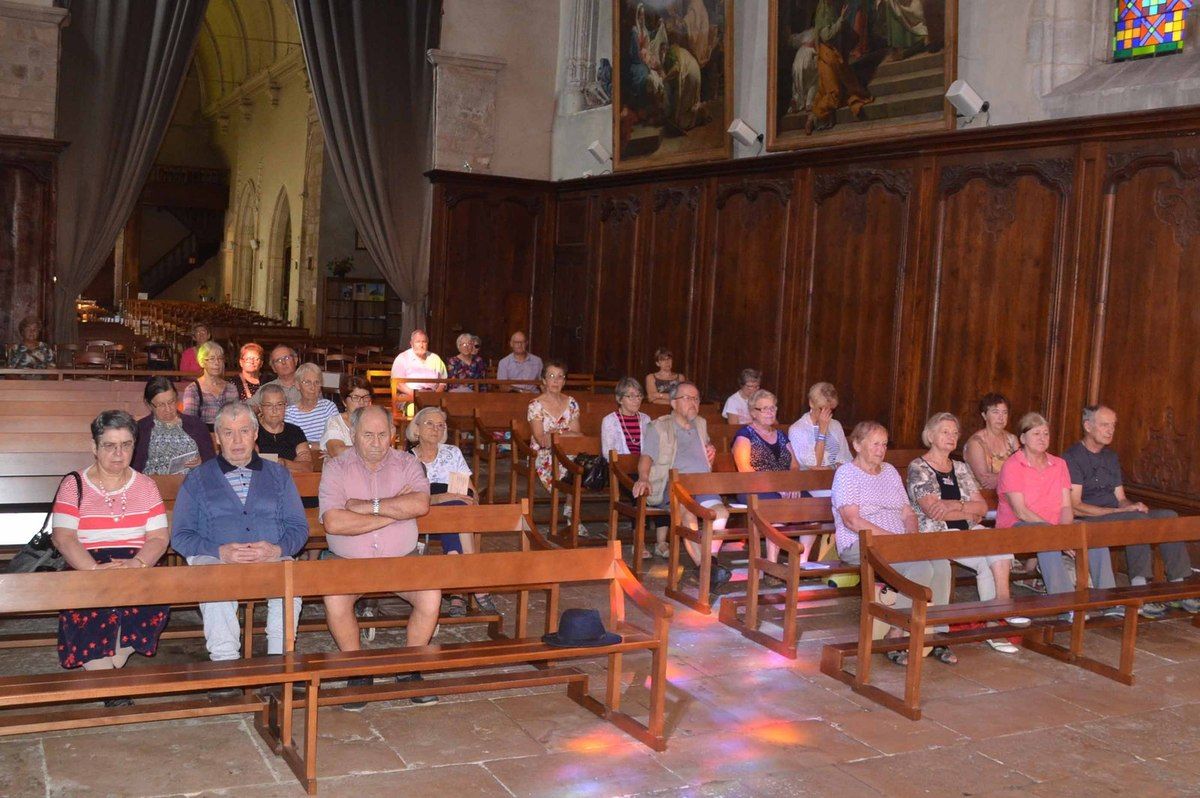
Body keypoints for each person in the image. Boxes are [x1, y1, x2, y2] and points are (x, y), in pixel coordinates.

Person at [319, 404, 441, 707]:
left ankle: (410, 668)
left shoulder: (407, 464)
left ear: (393, 435)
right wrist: (393, 512)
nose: (376, 443)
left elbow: (420, 505)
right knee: (335, 599)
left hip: (402, 558)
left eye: (382, 435)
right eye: (368, 435)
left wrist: (366, 506)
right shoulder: (335, 467)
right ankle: (357, 670)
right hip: (348, 562)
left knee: (431, 594)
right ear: (353, 434)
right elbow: (334, 522)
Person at [171, 402, 308, 664]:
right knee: (214, 579)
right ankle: (225, 664)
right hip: (216, 558)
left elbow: (298, 528)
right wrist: (218, 551)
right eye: (228, 432)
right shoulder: (197, 479)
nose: (237, 440)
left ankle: (280, 662)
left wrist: (276, 550)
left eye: (244, 431)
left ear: (255, 434)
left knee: (291, 580)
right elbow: (181, 535)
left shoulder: (279, 475)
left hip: (270, 558)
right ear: (217, 438)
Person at [51, 411, 170, 700]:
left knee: (148, 598)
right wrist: (93, 571)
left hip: (135, 562)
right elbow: (64, 538)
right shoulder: (73, 484)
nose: (119, 453)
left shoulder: (146, 486)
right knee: (90, 609)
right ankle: (110, 683)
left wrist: (138, 563)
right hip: (87, 563)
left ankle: (106, 672)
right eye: (109, 445)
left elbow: (158, 538)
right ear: (94, 447)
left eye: (126, 445)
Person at [832, 420, 955, 666]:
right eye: (875, 444)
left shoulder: (889, 471)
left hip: (898, 543)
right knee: (920, 569)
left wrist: (909, 538)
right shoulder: (847, 473)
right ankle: (895, 634)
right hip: (861, 544)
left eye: (884, 444)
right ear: (857, 445)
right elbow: (852, 520)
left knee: (941, 565)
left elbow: (908, 513)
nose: (881, 450)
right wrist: (892, 540)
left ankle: (935, 633)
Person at [906, 413, 1030, 654]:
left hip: (968, 531)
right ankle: (1003, 612)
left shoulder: (961, 468)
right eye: (945, 432)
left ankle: (996, 618)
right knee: (989, 555)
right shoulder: (918, 467)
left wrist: (956, 506)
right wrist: (965, 509)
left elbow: (981, 507)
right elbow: (933, 511)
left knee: (997, 545)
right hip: (937, 535)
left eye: (955, 433)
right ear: (930, 435)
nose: (952, 437)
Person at [1063, 405, 1200, 618]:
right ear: (1088, 426)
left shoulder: (1110, 457)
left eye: (1113, 426)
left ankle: (1178, 587)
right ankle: (1139, 590)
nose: (1110, 430)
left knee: (1168, 516)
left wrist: (1131, 505)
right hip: (1088, 519)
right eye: (1104, 425)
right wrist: (1117, 513)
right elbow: (1075, 504)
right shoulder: (1073, 456)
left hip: (1117, 515)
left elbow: (1120, 498)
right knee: (1136, 520)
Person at [996, 413, 1120, 608]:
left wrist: (1065, 530)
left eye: (1045, 434)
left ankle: (1107, 600)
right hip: (1017, 526)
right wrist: (1057, 534)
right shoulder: (1013, 465)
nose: (1042, 438)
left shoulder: (1059, 464)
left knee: (1093, 536)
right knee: (1049, 542)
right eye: (1036, 434)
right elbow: (1021, 511)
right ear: (1022, 439)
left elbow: (1065, 505)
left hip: (1055, 526)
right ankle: (1065, 604)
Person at [406, 406, 498, 617]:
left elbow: (470, 492)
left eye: (440, 425)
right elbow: (408, 501)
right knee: (454, 509)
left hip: (456, 520)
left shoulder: (452, 452)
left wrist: (469, 501)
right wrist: (444, 497)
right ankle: (473, 582)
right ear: (416, 429)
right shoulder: (407, 459)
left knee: (457, 510)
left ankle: (457, 590)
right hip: (421, 520)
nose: (435, 429)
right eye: (429, 423)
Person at [633, 382, 731, 577]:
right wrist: (643, 478)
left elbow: (705, 447)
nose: (693, 403)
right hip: (675, 486)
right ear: (673, 403)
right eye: (687, 398)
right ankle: (706, 570)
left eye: (696, 398)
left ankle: (709, 561)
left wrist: (710, 449)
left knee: (721, 513)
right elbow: (647, 457)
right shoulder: (659, 426)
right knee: (688, 514)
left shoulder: (701, 423)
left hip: (702, 483)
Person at [732, 389, 807, 564]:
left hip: (784, 488)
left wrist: (792, 485)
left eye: (772, 408)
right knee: (777, 508)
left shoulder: (781, 435)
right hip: (753, 488)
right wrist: (776, 488)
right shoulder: (744, 435)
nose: (770, 412)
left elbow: (794, 466)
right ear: (753, 413)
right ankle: (771, 564)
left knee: (810, 506)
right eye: (764, 409)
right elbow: (745, 470)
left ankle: (803, 563)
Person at [132, 376, 216, 475]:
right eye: (161, 405)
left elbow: (212, 460)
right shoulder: (140, 429)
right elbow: (133, 468)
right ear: (149, 404)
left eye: (171, 402)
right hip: (153, 485)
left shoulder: (196, 425)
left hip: (191, 484)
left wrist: (202, 461)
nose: (168, 409)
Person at [527, 360, 582, 496]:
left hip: (568, 450)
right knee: (571, 467)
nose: (556, 381)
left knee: (579, 462)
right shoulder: (535, 405)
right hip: (544, 453)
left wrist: (556, 433)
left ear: (564, 381)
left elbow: (578, 435)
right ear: (544, 381)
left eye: (560, 377)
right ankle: (570, 501)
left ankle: (571, 506)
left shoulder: (571, 403)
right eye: (551, 376)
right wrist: (565, 433)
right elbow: (542, 440)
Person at [789, 382, 851, 471]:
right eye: (822, 409)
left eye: (831, 410)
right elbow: (815, 466)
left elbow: (847, 460)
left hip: (839, 479)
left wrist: (830, 468)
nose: (826, 414)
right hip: (812, 482)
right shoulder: (797, 430)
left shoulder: (836, 425)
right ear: (811, 403)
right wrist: (822, 431)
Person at [963, 392, 1019, 490]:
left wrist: (998, 478)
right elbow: (985, 482)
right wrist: (1011, 476)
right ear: (984, 415)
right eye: (995, 412)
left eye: (1004, 412)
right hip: (982, 498)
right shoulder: (976, 442)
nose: (1001, 417)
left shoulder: (1012, 439)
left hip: (1009, 495)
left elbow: (1023, 471)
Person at [180, 341, 237, 431]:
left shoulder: (231, 388)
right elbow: (189, 422)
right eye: (212, 358)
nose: (217, 363)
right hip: (203, 437)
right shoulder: (193, 389)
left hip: (228, 437)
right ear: (202, 363)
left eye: (220, 358)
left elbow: (236, 418)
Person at [256, 384, 313, 472]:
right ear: (260, 408)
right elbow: (252, 465)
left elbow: (308, 467)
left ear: (285, 406)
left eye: (279, 404)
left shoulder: (295, 431)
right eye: (269, 405)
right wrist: (294, 465)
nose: (274, 410)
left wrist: (284, 463)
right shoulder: (253, 432)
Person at [391, 329, 447, 416]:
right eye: (418, 342)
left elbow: (443, 382)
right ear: (411, 343)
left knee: (443, 412)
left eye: (424, 342)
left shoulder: (435, 358)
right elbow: (398, 383)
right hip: (409, 396)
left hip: (432, 396)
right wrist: (418, 395)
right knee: (414, 410)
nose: (421, 345)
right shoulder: (402, 358)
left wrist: (434, 396)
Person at [285, 362, 339, 444]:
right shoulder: (290, 413)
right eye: (307, 382)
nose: (313, 387)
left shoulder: (328, 407)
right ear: (297, 385)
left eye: (317, 382)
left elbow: (336, 439)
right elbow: (292, 444)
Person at [322, 374, 373, 458]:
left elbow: (384, 450)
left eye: (366, 397)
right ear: (344, 402)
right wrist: (371, 451)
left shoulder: (375, 422)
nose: (361, 402)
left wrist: (347, 451)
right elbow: (337, 452)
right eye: (355, 397)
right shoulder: (335, 422)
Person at [601, 377, 650, 457]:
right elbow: (608, 455)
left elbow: (651, 450)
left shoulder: (646, 419)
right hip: (619, 467)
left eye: (639, 395)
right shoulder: (609, 421)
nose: (637, 400)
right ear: (619, 399)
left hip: (643, 467)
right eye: (631, 396)